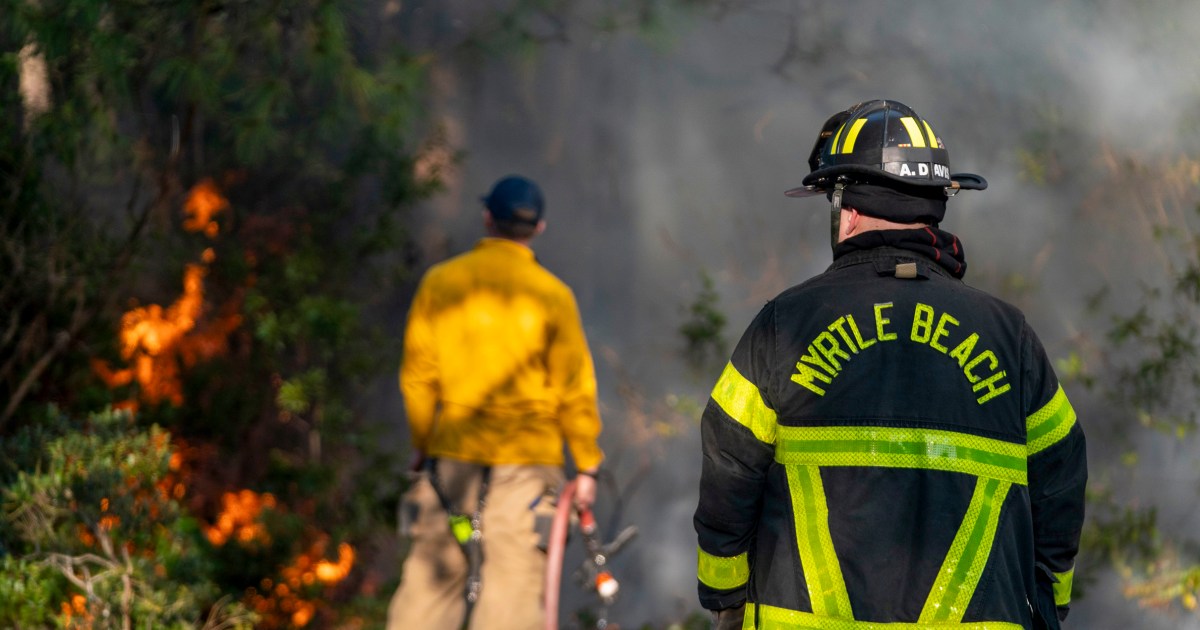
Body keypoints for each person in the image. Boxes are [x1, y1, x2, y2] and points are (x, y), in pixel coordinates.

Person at [693, 99, 1087, 630]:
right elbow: (1060, 477)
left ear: (847, 209)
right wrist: (1047, 598)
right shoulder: (1009, 337)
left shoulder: (786, 324)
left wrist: (726, 597)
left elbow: (728, 465)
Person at [388, 175, 604, 630]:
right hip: (527, 476)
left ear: (487, 218)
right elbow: (574, 389)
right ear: (538, 228)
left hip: (452, 466)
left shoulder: (441, 283)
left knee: (428, 592)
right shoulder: (553, 297)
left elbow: (418, 378)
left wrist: (425, 443)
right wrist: (586, 465)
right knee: (512, 595)